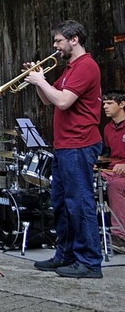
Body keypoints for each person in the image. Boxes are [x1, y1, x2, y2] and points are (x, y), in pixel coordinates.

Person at [24, 20, 103, 279]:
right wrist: (39, 82)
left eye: (58, 41)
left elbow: (64, 101)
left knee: (79, 203)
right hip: (65, 144)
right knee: (61, 203)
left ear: (74, 39)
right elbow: (49, 100)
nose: (55, 46)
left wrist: (41, 81)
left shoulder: (85, 66)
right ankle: (65, 254)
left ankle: (90, 262)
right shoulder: (69, 68)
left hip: (79, 143)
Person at [100, 90, 125, 253]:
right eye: (104, 103)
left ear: (122, 104)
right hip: (112, 170)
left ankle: (120, 236)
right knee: (86, 179)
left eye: (109, 103)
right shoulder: (108, 128)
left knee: (115, 185)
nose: (105, 107)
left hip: (121, 174)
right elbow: (107, 155)